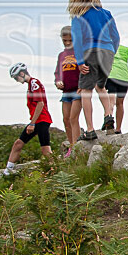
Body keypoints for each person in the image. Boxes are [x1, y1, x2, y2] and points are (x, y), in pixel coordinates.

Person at [68, 0, 120, 141]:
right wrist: (111, 52)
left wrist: (80, 61)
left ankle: (90, 129)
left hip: (90, 52)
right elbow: (116, 37)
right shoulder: (106, 13)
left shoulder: (79, 16)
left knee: (86, 91)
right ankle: (108, 115)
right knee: (101, 86)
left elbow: (77, 40)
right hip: (108, 52)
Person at [4, 63, 53, 175]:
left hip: (41, 120)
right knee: (18, 144)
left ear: (22, 73)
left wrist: (32, 123)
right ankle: (8, 170)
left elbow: (40, 103)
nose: (16, 80)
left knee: (45, 149)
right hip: (38, 120)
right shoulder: (31, 85)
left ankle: (53, 170)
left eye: (16, 77)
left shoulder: (34, 83)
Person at [54, 25, 81, 157]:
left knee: (73, 118)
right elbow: (57, 72)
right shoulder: (61, 55)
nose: (68, 43)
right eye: (65, 41)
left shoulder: (80, 53)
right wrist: (58, 81)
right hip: (66, 92)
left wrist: (83, 85)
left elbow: (85, 70)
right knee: (66, 119)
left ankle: (76, 146)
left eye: (70, 40)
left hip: (78, 91)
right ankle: (71, 145)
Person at [105, 44, 128, 134]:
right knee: (120, 103)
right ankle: (118, 129)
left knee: (110, 101)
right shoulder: (125, 49)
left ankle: (109, 120)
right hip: (124, 79)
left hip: (111, 76)